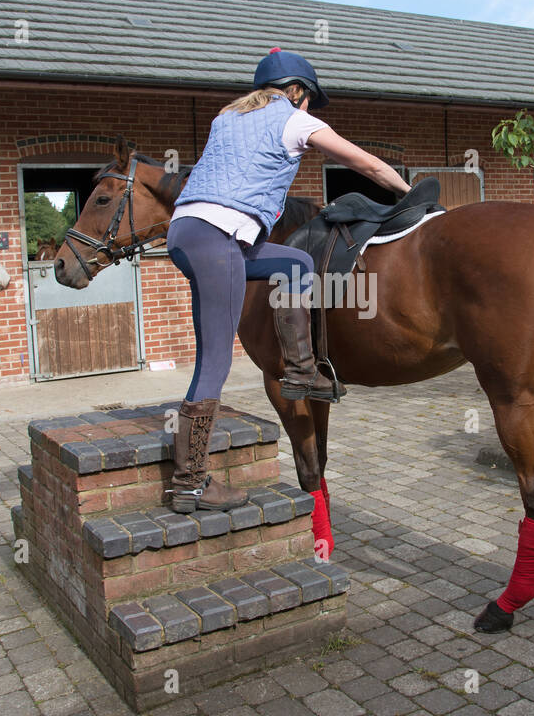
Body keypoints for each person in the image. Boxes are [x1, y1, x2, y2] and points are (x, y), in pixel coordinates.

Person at [164, 48, 410, 512]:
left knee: (295, 264)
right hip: (220, 240)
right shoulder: (294, 120)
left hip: (188, 232)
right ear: (297, 91)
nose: (309, 108)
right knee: (214, 363)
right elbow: (368, 166)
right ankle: (190, 483)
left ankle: (302, 371)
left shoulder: (226, 117)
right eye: (309, 99)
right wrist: (409, 193)